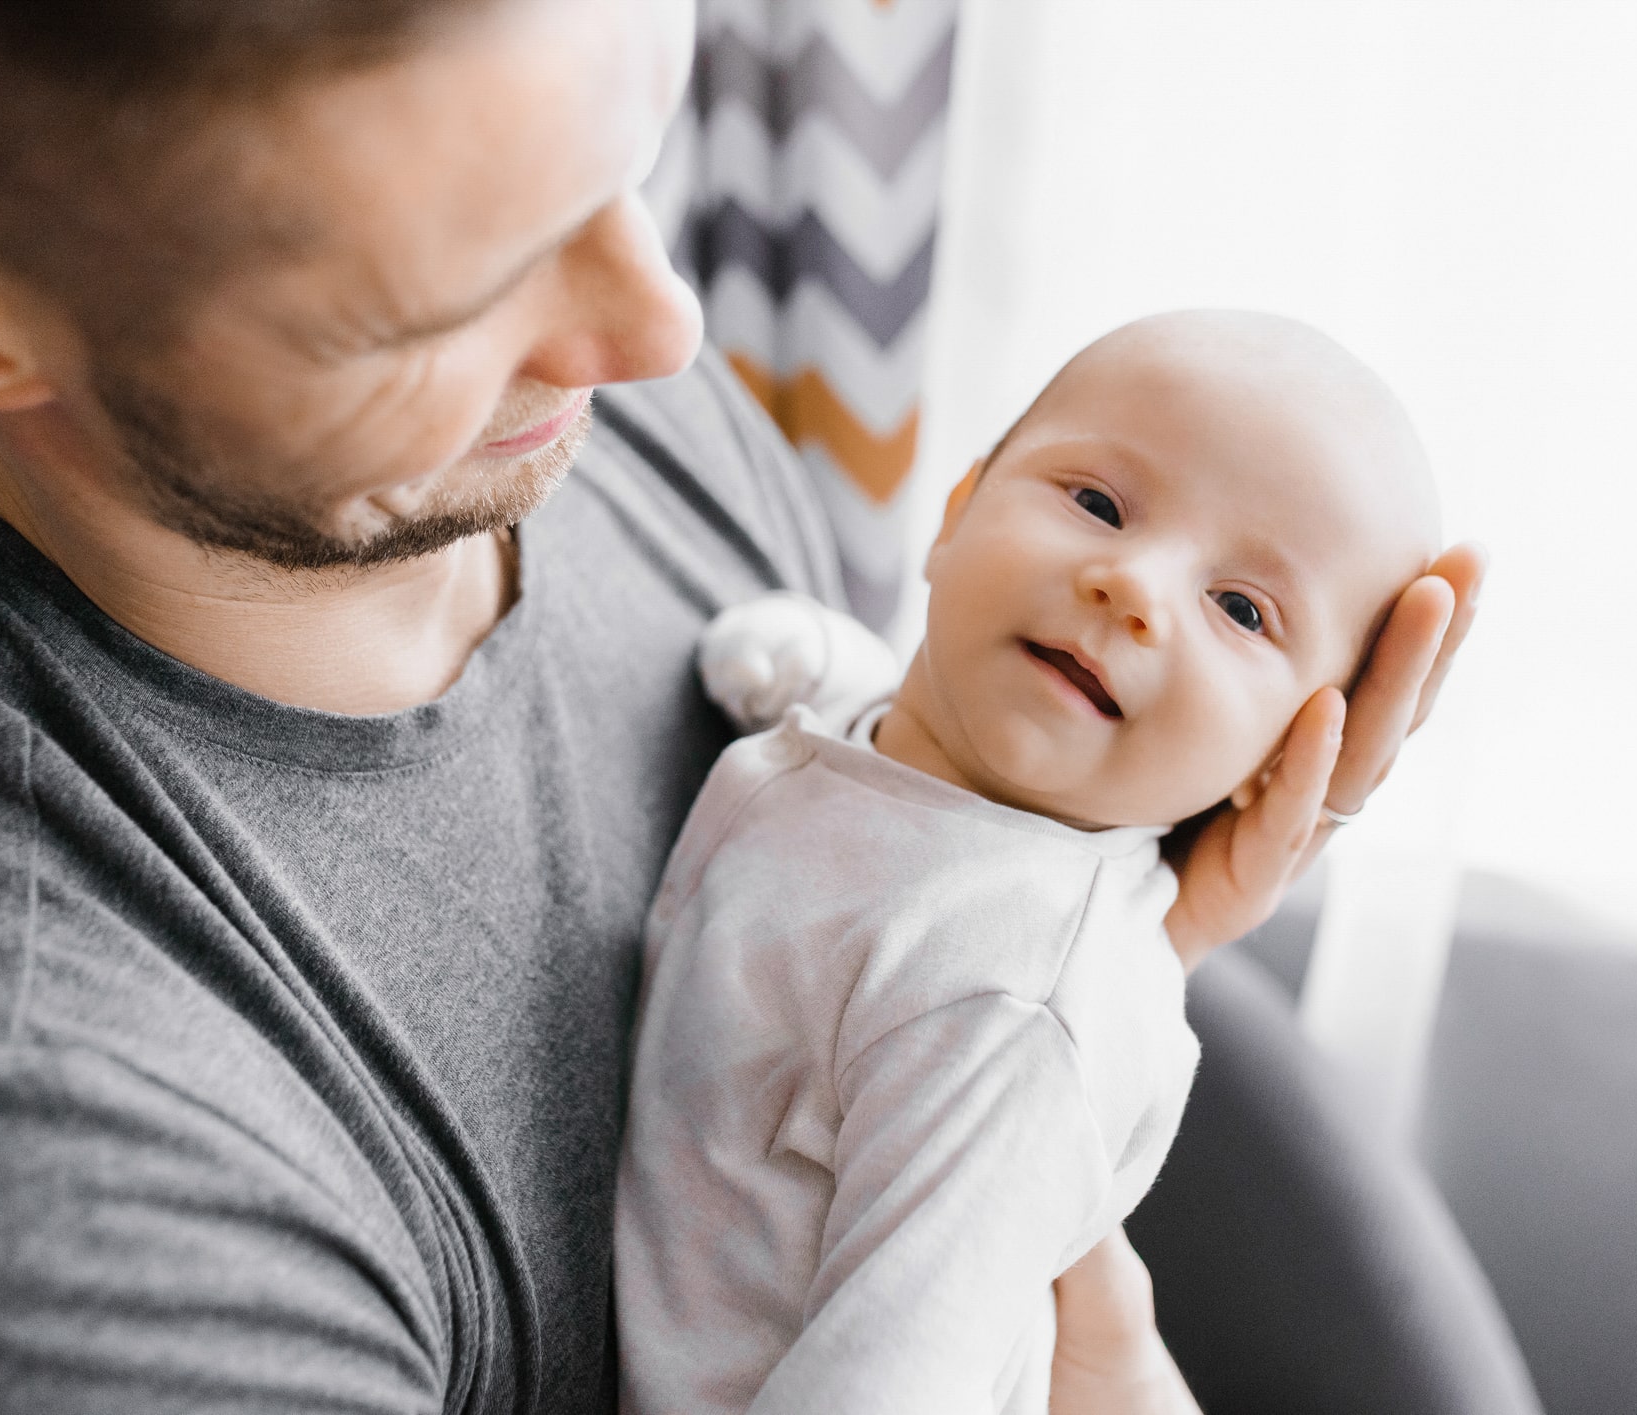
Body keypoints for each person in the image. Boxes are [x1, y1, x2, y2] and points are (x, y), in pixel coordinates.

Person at [0, 2, 1481, 1411]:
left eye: (633, 152)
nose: (656, 331)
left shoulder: (561, 423)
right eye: (455, 292)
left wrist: (1102, 948)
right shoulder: (35, 1197)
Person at [616, 310, 1442, 1414]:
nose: (1132, 585)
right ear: (954, 516)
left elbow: (890, 1385)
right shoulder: (909, 754)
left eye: (1241, 608)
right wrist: (802, 660)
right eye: (1095, 502)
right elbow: (873, 762)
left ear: (1278, 761)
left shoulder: (1010, 1004)